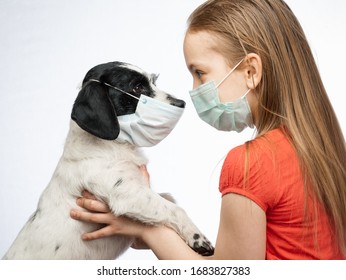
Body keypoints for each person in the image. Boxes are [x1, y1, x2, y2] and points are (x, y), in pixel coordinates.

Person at [70, 0, 346, 260]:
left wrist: (147, 228)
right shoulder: (324, 148)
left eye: (199, 72)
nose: (193, 89)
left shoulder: (253, 163)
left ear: (251, 71)